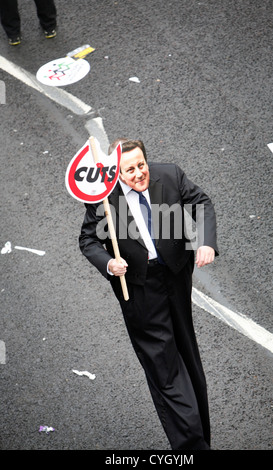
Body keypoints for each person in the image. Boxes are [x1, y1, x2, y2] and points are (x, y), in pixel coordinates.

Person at [79, 138, 218, 450]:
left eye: (141, 165)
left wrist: (206, 241)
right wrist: (109, 262)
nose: (139, 173)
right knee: (164, 368)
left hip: (176, 275)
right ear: (116, 172)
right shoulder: (104, 197)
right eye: (129, 170)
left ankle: (201, 437)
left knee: (188, 356)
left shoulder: (169, 175)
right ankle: (192, 448)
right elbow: (88, 240)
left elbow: (202, 203)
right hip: (138, 287)